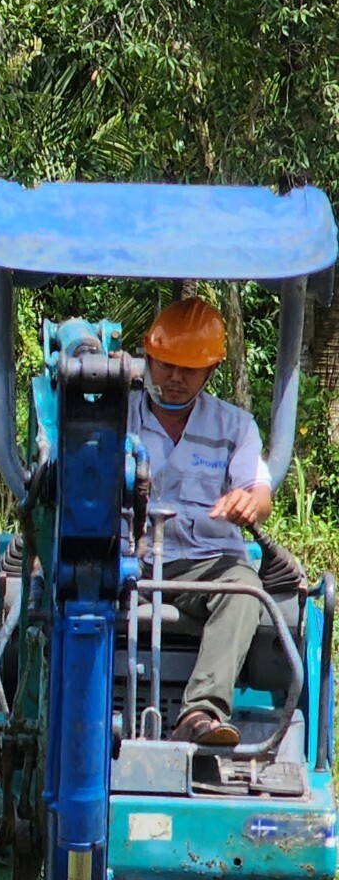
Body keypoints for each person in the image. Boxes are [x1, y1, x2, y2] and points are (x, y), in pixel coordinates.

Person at [135, 297, 275, 747]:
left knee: (246, 587)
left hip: (203, 566)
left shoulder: (234, 427)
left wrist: (249, 502)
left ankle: (200, 712)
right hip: (125, 563)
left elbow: (258, 489)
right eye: (167, 365)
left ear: (210, 371)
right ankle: (68, 707)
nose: (175, 378)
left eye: (189, 370)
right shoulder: (111, 419)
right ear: (149, 359)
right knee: (68, 587)